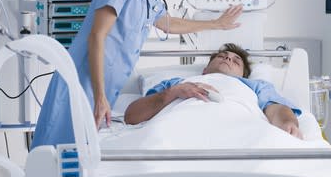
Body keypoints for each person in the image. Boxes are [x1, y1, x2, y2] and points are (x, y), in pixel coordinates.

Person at [32, 0, 243, 148]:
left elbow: (166, 23)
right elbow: (97, 35)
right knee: (55, 150)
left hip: (102, 84)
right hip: (83, 80)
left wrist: (216, 24)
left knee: (78, 156)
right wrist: (100, 96)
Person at [124, 43, 302, 138]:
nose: (228, 59)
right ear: (204, 70)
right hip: (175, 130)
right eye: (222, 57)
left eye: (236, 61)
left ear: (243, 75)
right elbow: (131, 116)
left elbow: (276, 109)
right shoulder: (176, 83)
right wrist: (173, 92)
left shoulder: (255, 86)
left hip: (238, 129)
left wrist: (287, 124)